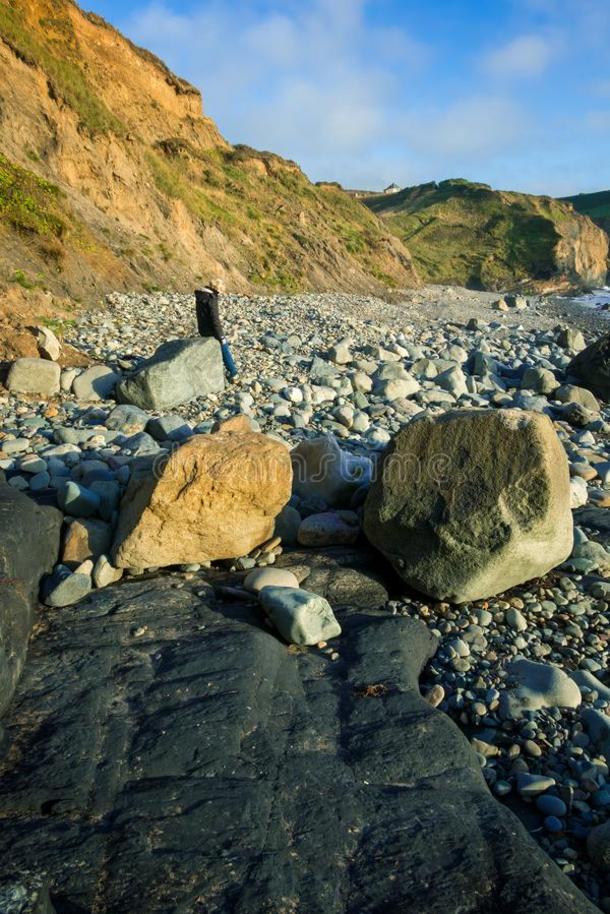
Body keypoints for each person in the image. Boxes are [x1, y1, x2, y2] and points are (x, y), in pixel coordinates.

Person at [195, 285, 238, 379]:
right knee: (224, 347)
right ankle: (233, 371)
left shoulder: (200, 295)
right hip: (212, 331)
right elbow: (215, 319)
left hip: (203, 330)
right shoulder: (211, 298)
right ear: (217, 289)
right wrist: (221, 336)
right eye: (221, 291)